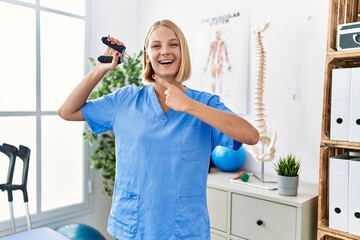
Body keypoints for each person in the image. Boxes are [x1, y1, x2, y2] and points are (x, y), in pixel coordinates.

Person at [58, 19, 259, 240]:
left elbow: (250, 135)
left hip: (184, 230)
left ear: (183, 52)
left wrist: (189, 105)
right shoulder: (125, 100)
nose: (165, 51)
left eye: (173, 45)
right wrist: (100, 69)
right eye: (156, 46)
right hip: (133, 227)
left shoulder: (204, 104)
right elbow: (67, 111)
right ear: (147, 55)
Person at [203, 30, 232, 97]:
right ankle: (213, 95)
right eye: (218, 34)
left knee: (220, 79)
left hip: (220, 62)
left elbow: (226, 53)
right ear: (216, 34)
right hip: (213, 62)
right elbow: (209, 54)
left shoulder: (223, 43)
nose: (219, 35)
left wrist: (228, 64)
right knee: (213, 79)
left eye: (220, 34)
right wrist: (206, 66)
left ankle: (220, 96)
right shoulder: (213, 43)